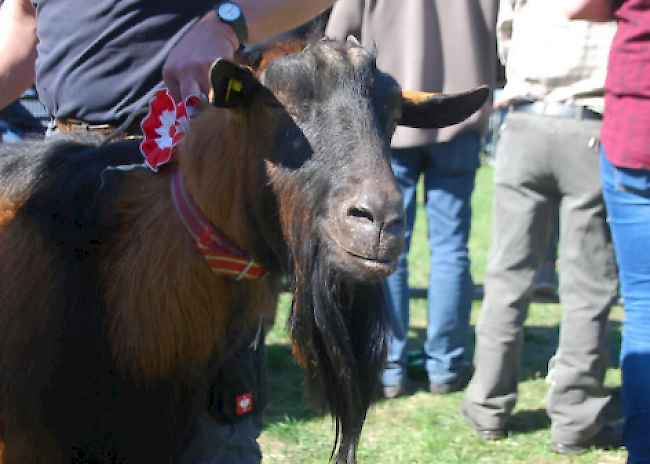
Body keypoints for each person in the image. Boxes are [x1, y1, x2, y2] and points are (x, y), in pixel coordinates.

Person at [0, 1, 335, 462]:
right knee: (53, 423)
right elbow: (25, 24)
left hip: (189, 183)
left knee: (206, 439)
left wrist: (228, 23)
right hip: (63, 182)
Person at [461, 0, 623, 455]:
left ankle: (486, 405)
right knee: (588, 287)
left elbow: (505, 34)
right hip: (591, 126)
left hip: (526, 123)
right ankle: (575, 418)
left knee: (506, 277)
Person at [326, 0, 498, 398]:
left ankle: (389, 365)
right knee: (451, 247)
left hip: (390, 120)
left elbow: (334, 38)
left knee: (384, 243)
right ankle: (447, 365)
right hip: (461, 114)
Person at [565, 2, 650, 463]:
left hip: (636, 133)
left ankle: (643, 449)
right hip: (633, 133)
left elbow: (580, 8)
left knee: (644, 305)